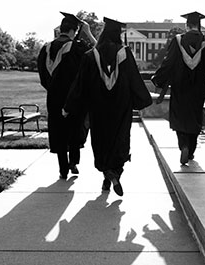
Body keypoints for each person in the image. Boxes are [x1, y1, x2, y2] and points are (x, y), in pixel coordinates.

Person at [63, 17, 152, 196]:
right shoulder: (125, 53)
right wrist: (142, 101)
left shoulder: (90, 56)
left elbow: (79, 84)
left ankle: (107, 175)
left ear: (103, 34)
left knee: (102, 142)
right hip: (121, 108)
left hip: (98, 109)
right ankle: (114, 173)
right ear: (118, 34)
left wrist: (68, 106)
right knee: (119, 140)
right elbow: (134, 79)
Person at [152, 11, 205, 165]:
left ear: (186, 25)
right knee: (194, 117)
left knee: (179, 116)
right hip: (198, 87)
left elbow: (168, 62)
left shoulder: (178, 40)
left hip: (180, 86)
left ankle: (184, 146)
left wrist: (158, 79)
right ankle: (191, 151)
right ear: (198, 25)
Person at [37, 12, 96, 179]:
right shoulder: (77, 47)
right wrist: (89, 33)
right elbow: (100, 53)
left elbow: (42, 76)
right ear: (74, 30)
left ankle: (63, 168)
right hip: (73, 99)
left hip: (53, 98)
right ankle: (73, 162)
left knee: (59, 131)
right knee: (75, 129)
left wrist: (53, 89)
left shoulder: (45, 48)